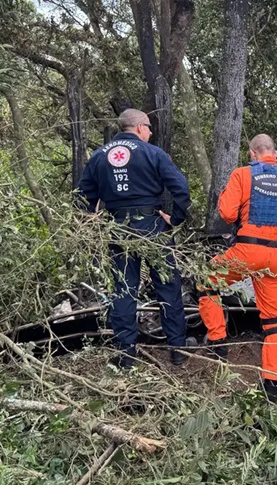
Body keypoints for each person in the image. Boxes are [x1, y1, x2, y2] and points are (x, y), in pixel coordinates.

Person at [198, 134, 277, 402]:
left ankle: (218, 342)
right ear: (275, 153)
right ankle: (271, 386)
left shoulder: (243, 175)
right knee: (273, 322)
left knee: (206, 280)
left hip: (246, 251)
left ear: (252, 153)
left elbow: (228, 214)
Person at [76, 109, 191, 369]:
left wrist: (90, 224)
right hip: (152, 227)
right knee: (168, 287)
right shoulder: (153, 154)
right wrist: (176, 219)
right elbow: (181, 188)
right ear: (139, 127)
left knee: (123, 290)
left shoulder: (99, 156)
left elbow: (82, 196)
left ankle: (126, 353)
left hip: (118, 228)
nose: (150, 132)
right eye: (149, 128)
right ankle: (178, 350)